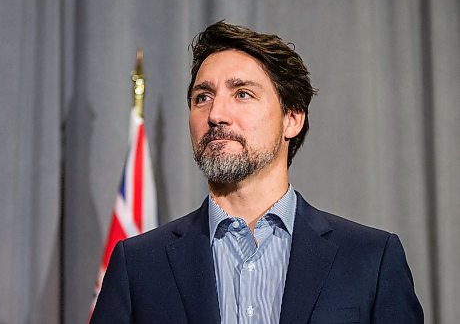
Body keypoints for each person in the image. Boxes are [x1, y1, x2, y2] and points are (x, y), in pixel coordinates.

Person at [90, 21, 423, 324]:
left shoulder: (370, 259)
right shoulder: (137, 266)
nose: (216, 114)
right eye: (202, 97)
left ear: (292, 118)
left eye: (242, 94)